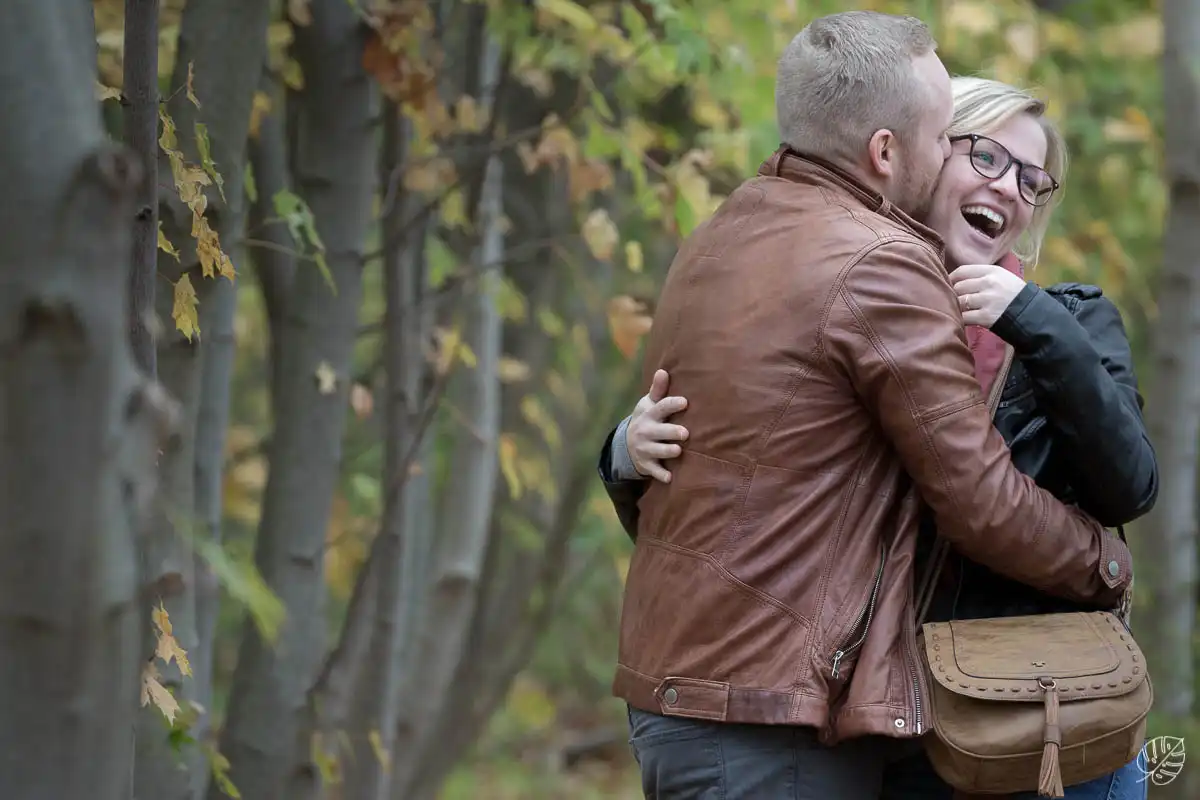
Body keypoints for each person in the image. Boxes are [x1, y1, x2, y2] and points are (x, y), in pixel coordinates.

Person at [602, 10, 1137, 800]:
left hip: (926, 708)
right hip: (779, 709)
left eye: (1031, 178)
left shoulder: (724, 234)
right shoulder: (879, 265)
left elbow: (1129, 475)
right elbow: (981, 501)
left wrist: (1038, 322)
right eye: (968, 147)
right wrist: (1108, 564)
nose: (1005, 186)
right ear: (892, 152)